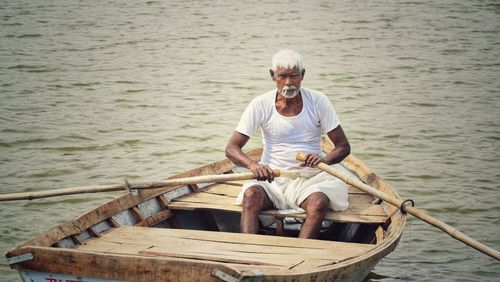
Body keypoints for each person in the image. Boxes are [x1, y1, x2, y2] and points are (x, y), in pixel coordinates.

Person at [225, 49, 351, 239]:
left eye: (294, 76)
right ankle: (247, 252)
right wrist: (253, 165)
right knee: (250, 197)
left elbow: (343, 147)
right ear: (272, 76)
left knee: (318, 205)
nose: (289, 83)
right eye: (282, 76)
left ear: (303, 75)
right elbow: (231, 148)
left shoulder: (318, 101)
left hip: (311, 179)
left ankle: (300, 256)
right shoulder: (260, 104)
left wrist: (323, 159)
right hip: (271, 179)